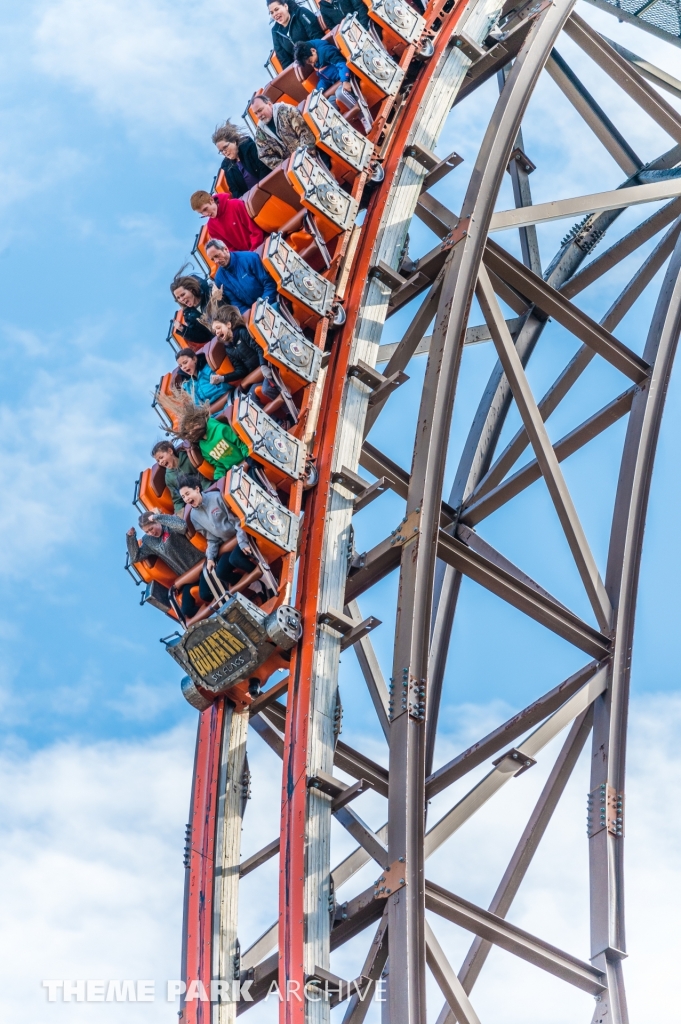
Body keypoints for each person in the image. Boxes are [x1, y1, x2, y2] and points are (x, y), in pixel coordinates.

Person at [177, 474, 259, 597]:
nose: (186, 499)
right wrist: (210, 558)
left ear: (197, 489)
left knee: (235, 559)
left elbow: (238, 521)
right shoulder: (194, 517)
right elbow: (212, 538)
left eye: (188, 494)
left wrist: (243, 542)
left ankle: (263, 580)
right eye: (183, 497)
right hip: (228, 544)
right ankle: (255, 588)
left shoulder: (216, 498)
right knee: (221, 572)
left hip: (242, 535)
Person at [126, 511, 205, 619]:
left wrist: (159, 517)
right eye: (147, 531)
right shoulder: (148, 541)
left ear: (157, 522)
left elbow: (182, 526)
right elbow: (135, 557)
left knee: (206, 593)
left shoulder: (168, 523)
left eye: (152, 528)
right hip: (187, 576)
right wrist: (130, 538)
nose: (151, 533)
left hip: (201, 564)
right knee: (186, 610)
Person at [157, 389, 249, 480]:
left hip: (247, 460)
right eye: (188, 432)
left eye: (192, 427)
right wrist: (219, 477)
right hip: (235, 473)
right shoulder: (203, 446)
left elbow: (241, 443)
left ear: (198, 421)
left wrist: (248, 459)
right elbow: (218, 464)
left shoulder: (220, 429)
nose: (191, 432)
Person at [205, 238, 278, 316]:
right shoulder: (219, 279)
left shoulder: (250, 258)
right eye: (213, 259)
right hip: (253, 314)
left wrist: (262, 308)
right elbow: (236, 303)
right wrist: (250, 315)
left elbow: (269, 284)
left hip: (271, 302)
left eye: (217, 256)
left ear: (225, 249)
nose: (216, 261)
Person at [251, 94, 316, 170]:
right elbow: (265, 156)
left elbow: (304, 132)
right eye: (256, 113)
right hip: (294, 169)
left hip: (312, 156)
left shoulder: (286, 110)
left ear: (269, 104)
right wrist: (287, 167)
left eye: (260, 110)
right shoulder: (260, 133)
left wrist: (305, 157)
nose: (259, 115)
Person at [212, 120, 271, 198]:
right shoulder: (227, 166)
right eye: (221, 151)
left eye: (225, 147)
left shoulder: (249, 147)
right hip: (251, 201)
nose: (224, 152)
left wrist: (261, 191)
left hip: (269, 188)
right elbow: (235, 191)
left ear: (234, 141)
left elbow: (264, 168)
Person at [190, 190, 265, 251]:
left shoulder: (236, 205)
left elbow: (255, 232)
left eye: (205, 209)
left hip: (261, 246)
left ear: (211, 200)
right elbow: (229, 250)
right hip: (245, 258)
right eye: (201, 213)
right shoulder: (211, 227)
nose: (206, 214)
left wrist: (252, 254)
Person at [293, 39, 355, 112]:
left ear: (313, 50)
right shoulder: (316, 61)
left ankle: (364, 116)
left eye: (310, 61)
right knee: (328, 105)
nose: (312, 64)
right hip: (337, 83)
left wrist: (345, 80)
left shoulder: (326, 51)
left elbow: (342, 65)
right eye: (309, 63)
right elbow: (324, 79)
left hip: (348, 77)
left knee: (340, 93)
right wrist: (318, 91)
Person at [151, 440, 206, 514]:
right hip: (193, 504)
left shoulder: (188, 459)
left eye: (161, 457)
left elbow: (203, 477)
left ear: (170, 451)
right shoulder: (169, 477)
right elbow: (177, 499)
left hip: (204, 493)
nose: (160, 462)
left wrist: (206, 494)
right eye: (158, 461)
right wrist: (180, 516)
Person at [175, 348, 233, 417]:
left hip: (227, 400)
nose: (183, 367)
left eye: (185, 362)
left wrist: (218, 380)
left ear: (194, 359)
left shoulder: (207, 369)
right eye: (181, 366)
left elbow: (225, 387)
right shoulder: (188, 384)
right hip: (211, 412)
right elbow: (197, 404)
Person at [267, 0, 322, 70]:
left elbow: (316, 36)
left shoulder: (301, 12)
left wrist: (312, 58)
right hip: (302, 68)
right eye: (271, 12)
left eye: (276, 9)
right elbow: (284, 60)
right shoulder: (275, 31)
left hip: (317, 56)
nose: (275, 14)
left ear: (285, 6)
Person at [170, 269, 214, 346]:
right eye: (178, 298)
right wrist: (183, 330)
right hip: (219, 339)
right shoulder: (189, 315)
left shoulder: (209, 293)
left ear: (191, 290)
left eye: (183, 295)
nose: (181, 299)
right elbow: (203, 337)